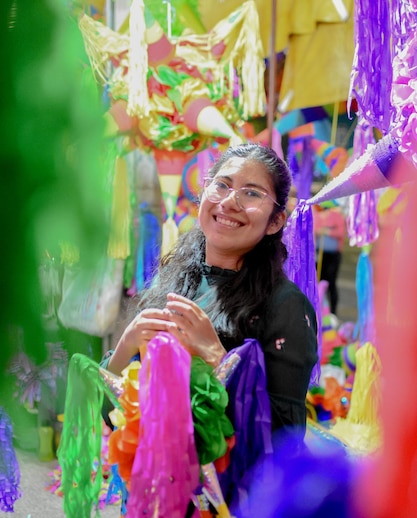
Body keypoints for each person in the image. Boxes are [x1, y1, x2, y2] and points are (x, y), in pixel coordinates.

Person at [103, 143, 318, 452]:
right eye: (222, 185)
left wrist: (218, 358)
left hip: (229, 499)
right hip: (157, 490)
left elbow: (284, 442)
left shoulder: (287, 307)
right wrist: (126, 345)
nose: (230, 202)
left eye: (252, 193)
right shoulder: (173, 278)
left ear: (275, 221)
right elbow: (112, 416)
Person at [313, 203, 347, 316]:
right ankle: (317, 309)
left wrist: (327, 231)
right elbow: (313, 231)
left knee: (331, 283)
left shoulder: (337, 216)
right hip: (318, 254)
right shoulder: (317, 216)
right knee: (316, 281)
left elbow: (341, 233)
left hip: (332, 255)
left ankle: (332, 312)